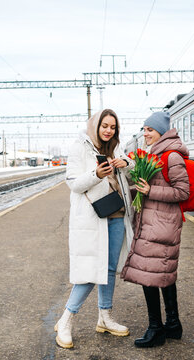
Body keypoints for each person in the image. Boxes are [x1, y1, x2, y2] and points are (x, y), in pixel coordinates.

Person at [54, 109, 135, 349]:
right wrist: (96, 174)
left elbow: (128, 172)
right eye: (105, 126)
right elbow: (72, 183)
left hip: (117, 214)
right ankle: (66, 319)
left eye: (113, 127)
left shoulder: (115, 147)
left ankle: (105, 317)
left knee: (110, 269)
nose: (108, 130)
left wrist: (126, 163)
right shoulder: (80, 146)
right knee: (91, 270)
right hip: (93, 217)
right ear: (96, 125)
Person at [121, 111, 190, 348]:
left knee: (149, 275)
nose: (145, 133)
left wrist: (150, 191)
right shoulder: (155, 154)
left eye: (149, 129)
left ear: (160, 131)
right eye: (144, 129)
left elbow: (183, 192)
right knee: (162, 272)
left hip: (161, 225)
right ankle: (173, 324)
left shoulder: (171, 156)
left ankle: (156, 329)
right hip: (154, 222)